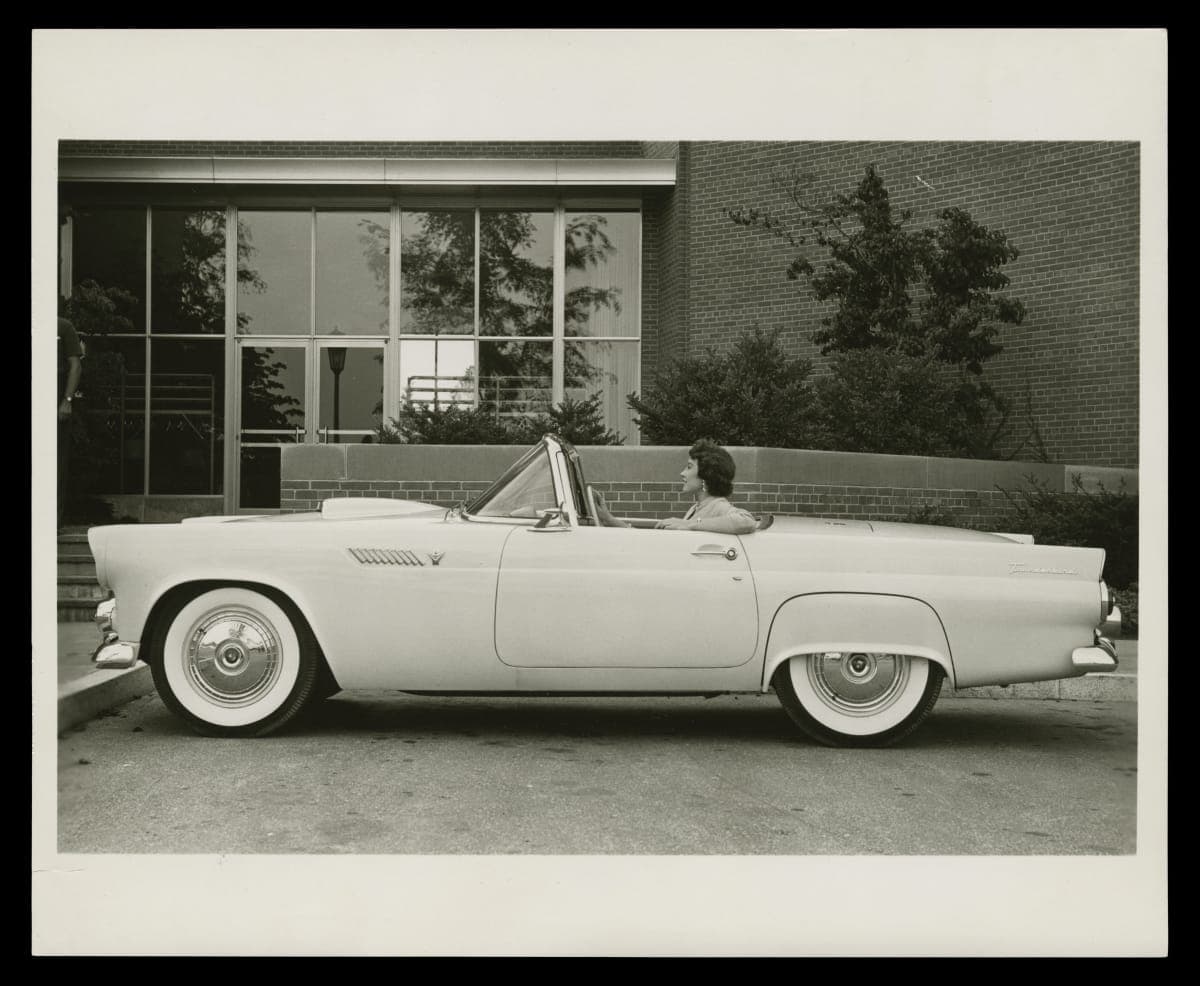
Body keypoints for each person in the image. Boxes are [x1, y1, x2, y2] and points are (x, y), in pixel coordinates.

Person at [595, 438, 758, 535]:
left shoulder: (718, 506)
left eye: (688, 467)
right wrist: (609, 520)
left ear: (706, 475)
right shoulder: (697, 508)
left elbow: (746, 521)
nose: (682, 473)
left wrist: (689, 525)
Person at [57, 310, 83, 531]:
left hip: (55, 402)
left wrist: (67, 399)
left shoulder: (63, 327)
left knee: (57, 462)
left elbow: (75, 365)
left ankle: (53, 519)